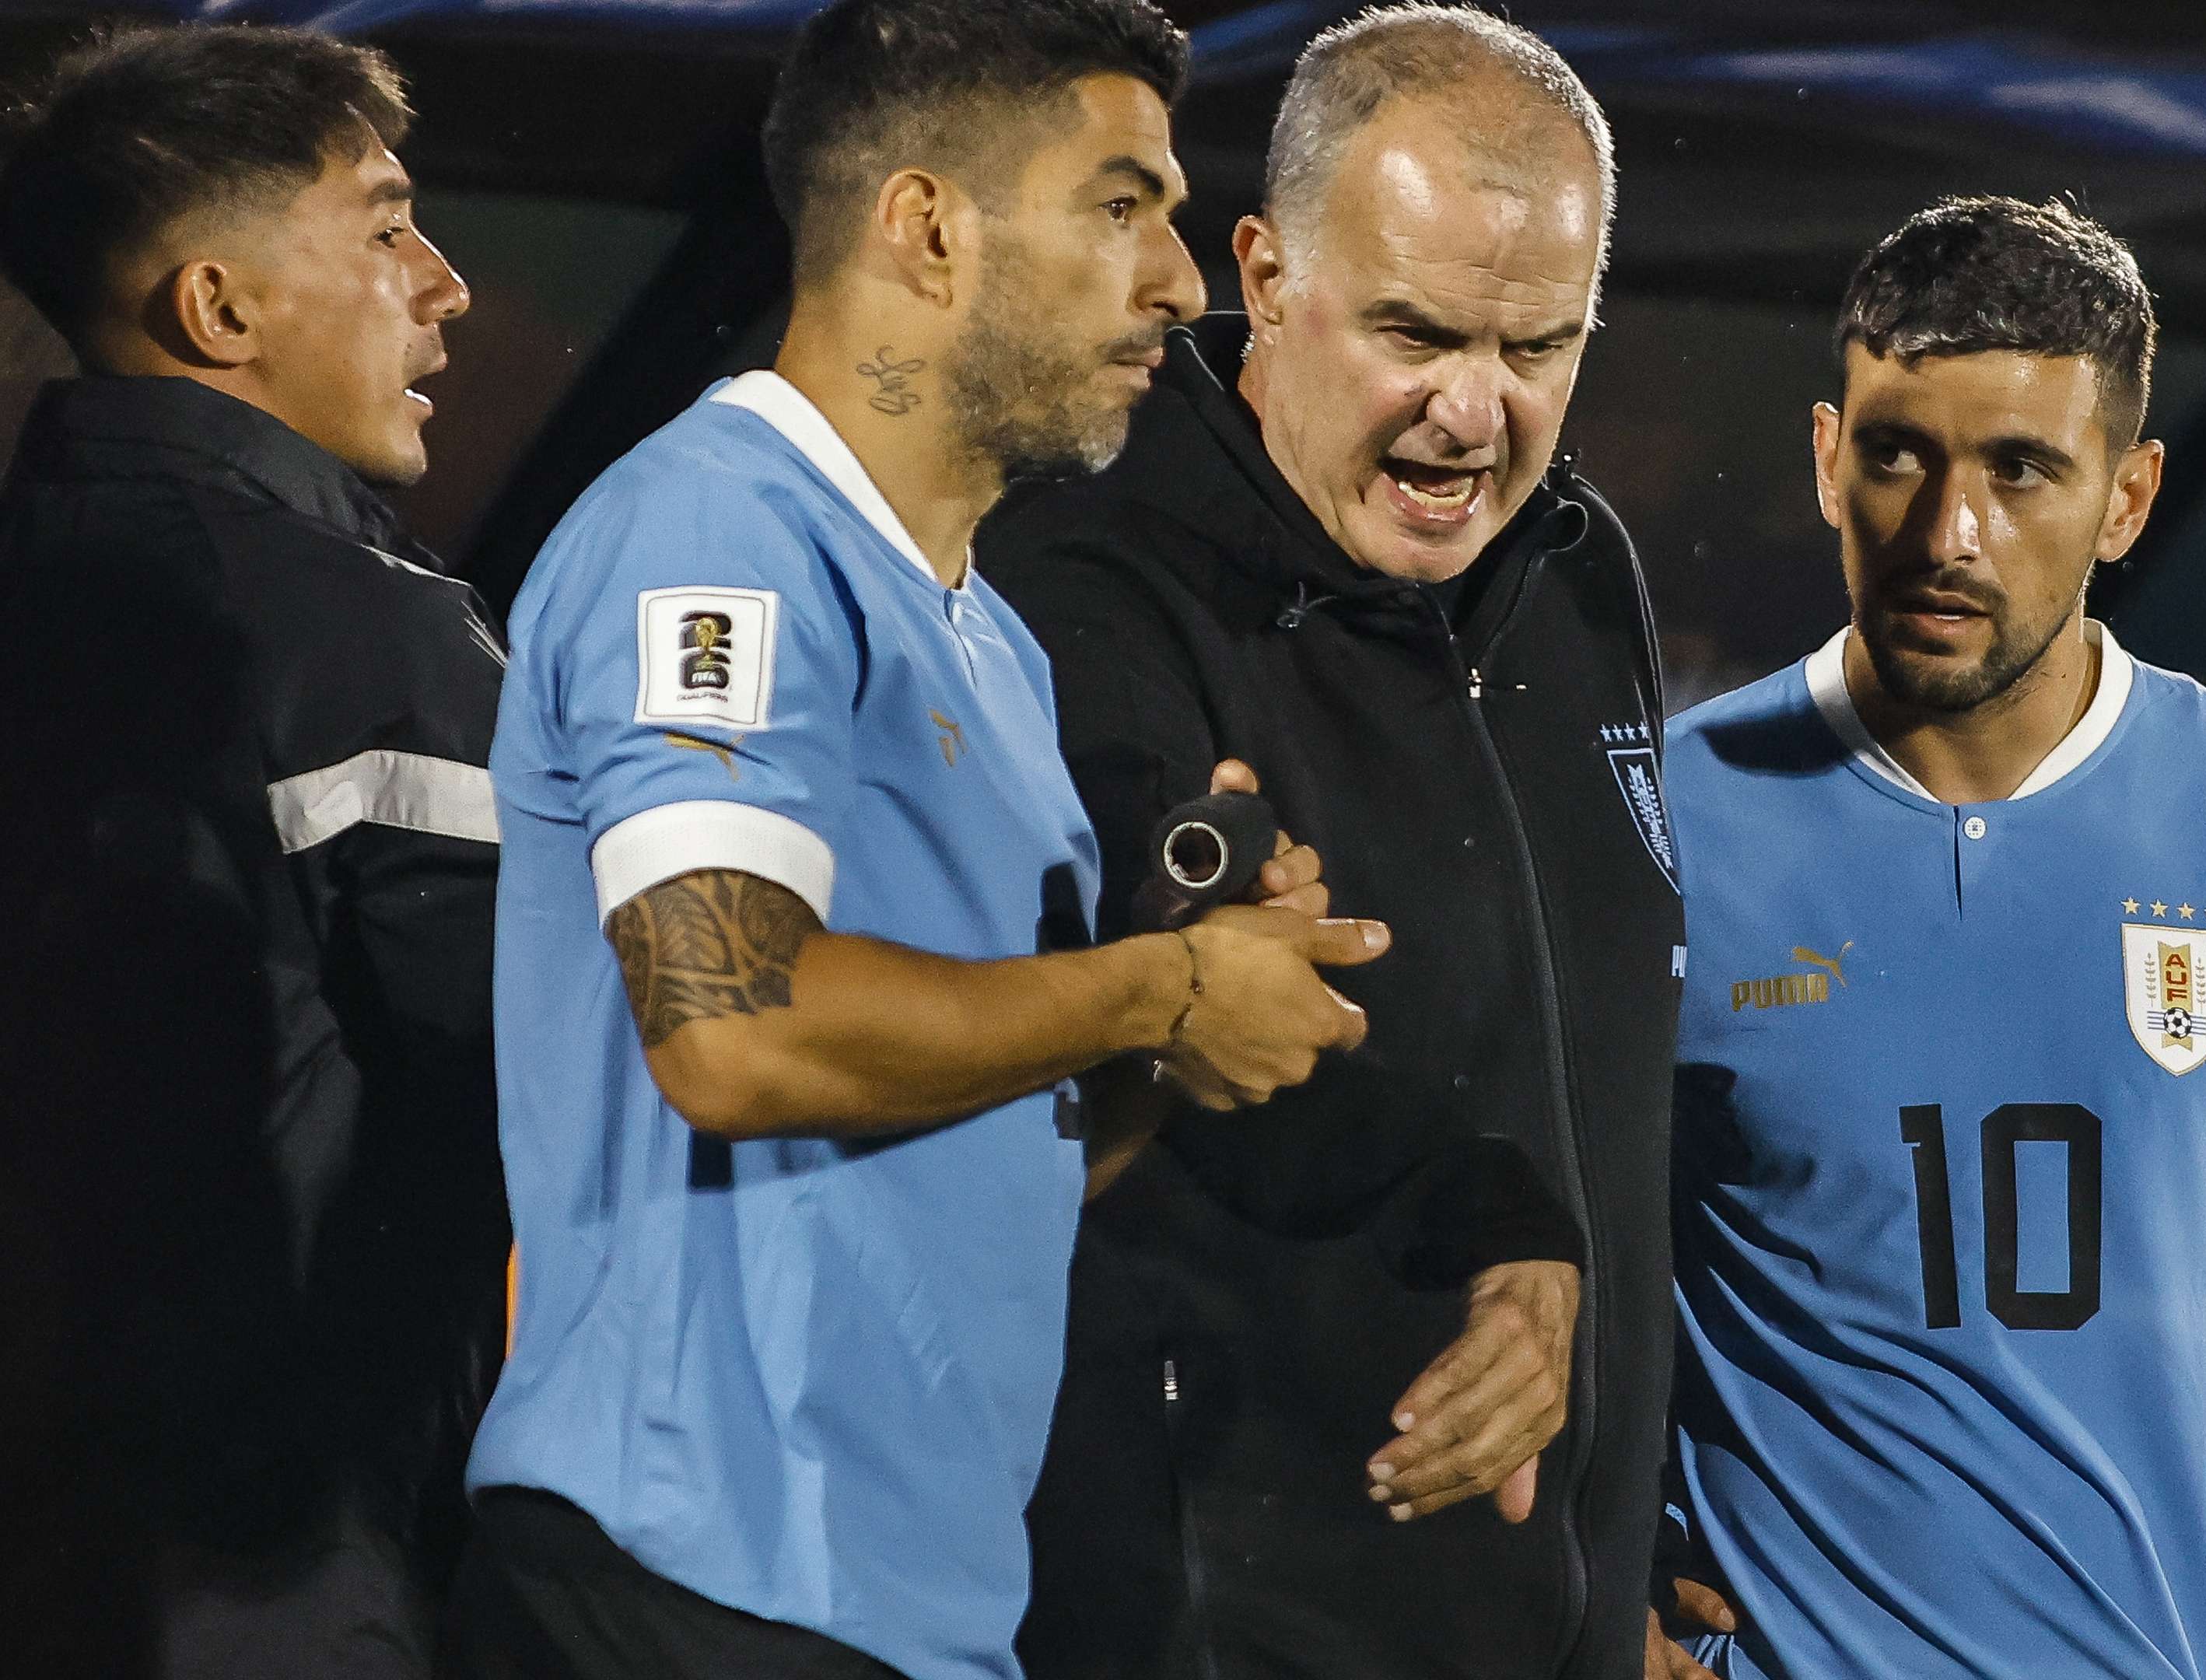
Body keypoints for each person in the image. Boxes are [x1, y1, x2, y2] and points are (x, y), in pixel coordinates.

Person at [439, 3, 1384, 1677]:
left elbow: (987, 1138)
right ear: (929, 228)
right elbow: (735, 1026)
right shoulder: (718, 532)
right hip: (691, 1578)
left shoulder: (989, 645)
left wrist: (1185, 1035)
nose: (1177, 279)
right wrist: (1157, 990)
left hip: (902, 1610)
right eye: (1121, 205)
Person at [1654, 196, 2206, 1680]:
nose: (1949, 531)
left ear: (2128, 499)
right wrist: (1579, 1580)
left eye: (2021, 471)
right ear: (1825, 457)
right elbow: (1519, 1258)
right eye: (1897, 455)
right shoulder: (1667, 822)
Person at [978, 8, 1682, 1676]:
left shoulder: (1584, 570)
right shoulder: (1089, 569)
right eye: (1416, 333)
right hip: (1212, 1624)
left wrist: (1634, 1553)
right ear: (1267, 275)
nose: (1474, 416)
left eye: (1538, 349)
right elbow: (1131, 964)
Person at [0, 26, 499, 1676]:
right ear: (219, 310)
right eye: (382, 226)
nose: (443, 286)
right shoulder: (349, 632)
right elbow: (565, 1070)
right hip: (276, 1548)